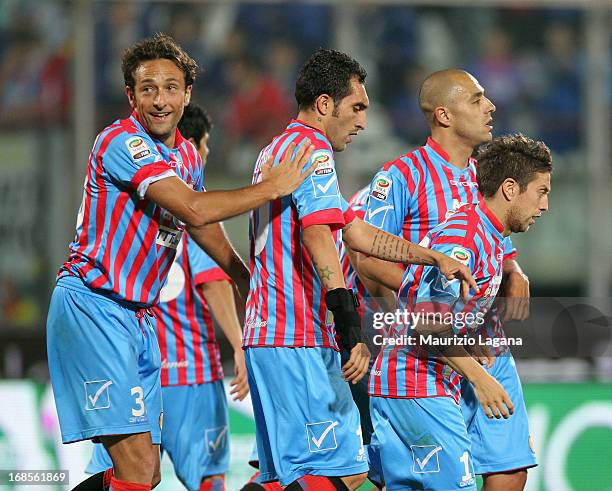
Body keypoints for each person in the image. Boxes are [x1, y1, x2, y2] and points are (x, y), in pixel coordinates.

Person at [46, 33, 315, 491]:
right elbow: (192, 207)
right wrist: (272, 188)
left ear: (187, 94)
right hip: (95, 307)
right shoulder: (120, 142)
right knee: (133, 466)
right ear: (131, 95)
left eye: (171, 87)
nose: (160, 100)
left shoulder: (187, 156)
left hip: (138, 318)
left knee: (145, 473)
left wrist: (241, 276)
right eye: (147, 89)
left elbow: (198, 224)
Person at [242, 49, 478, 491]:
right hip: (296, 334)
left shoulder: (276, 149)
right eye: (357, 107)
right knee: (344, 469)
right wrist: (348, 323)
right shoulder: (311, 150)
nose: (363, 121)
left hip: (268, 332)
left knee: (287, 476)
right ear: (326, 104)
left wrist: (435, 258)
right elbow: (317, 236)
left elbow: (358, 234)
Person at [354, 69, 537, 490]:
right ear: (444, 115)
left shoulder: (485, 178)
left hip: (489, 340)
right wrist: (431, 305)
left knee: (509, 466)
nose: (490, 107)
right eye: (476, 100)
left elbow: (494, 239)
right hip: (430, 349)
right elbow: (366, 259)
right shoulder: (402, 175)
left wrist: (513, 268)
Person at [85, 104, 247, 491]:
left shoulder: (130, 205)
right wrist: (241, 346)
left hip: (135, 368)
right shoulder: (191, 207)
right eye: (204, 147)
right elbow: (214, 281)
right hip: (192, 374)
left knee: (123, 475)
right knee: (208, 479)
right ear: (189, 146)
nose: (205, 156)